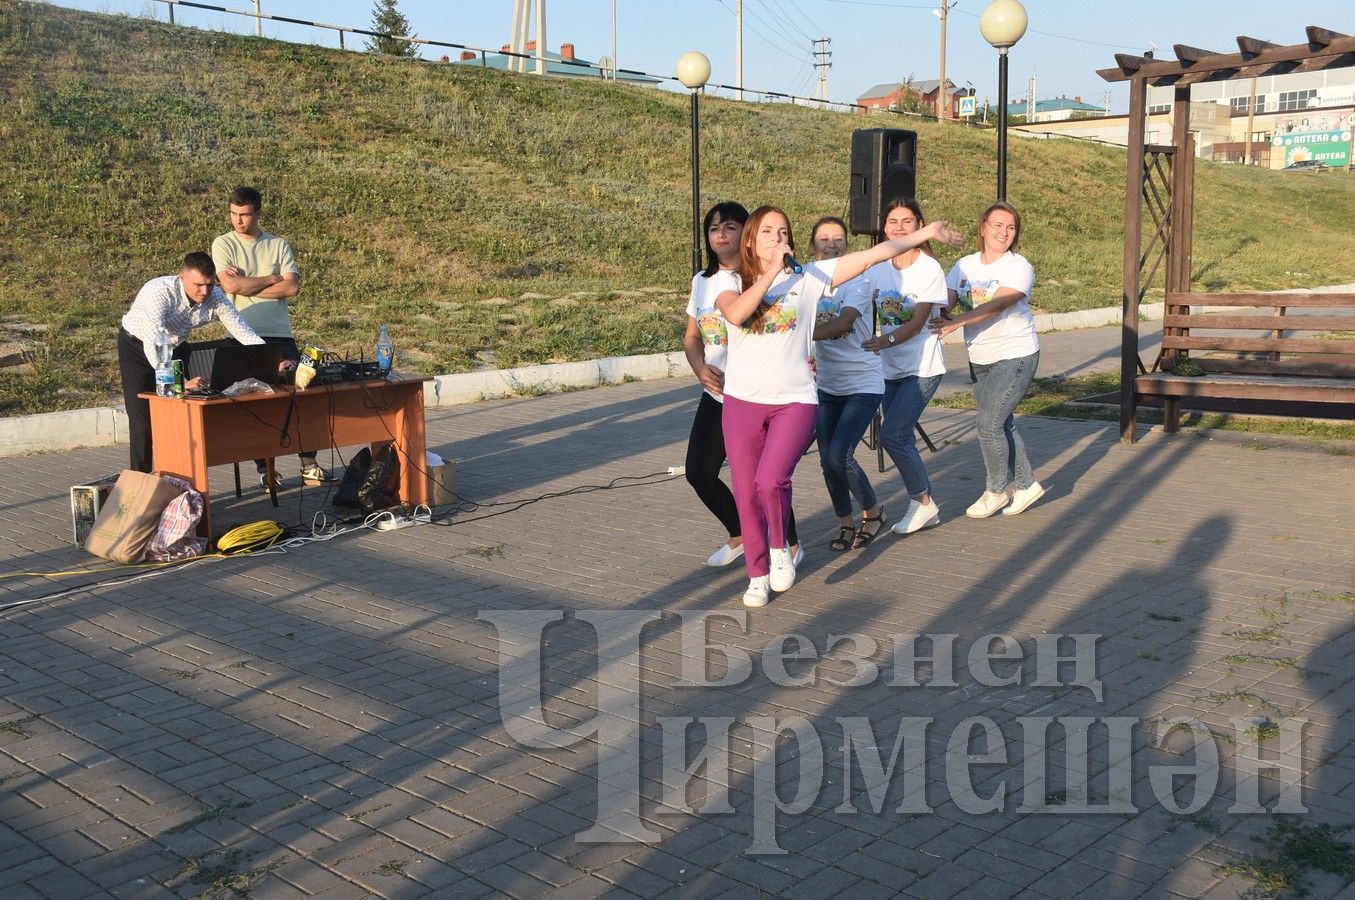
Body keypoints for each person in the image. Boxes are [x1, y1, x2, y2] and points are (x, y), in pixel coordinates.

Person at [717, 206, 963, 608]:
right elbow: (738, 314)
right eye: (767, 232)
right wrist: (769, 274)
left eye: (783, 231)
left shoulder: (809, 277)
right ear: (750, 240)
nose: (778, 239)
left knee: (771, 480)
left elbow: (875, 255)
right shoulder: (729, 282)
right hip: (743, 401)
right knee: (746, 492)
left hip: (794, 399)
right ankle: (757, 574)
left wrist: (925, 233)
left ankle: (780, 548)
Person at [682, 202, 801, 568]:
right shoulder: (702, 283)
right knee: (699, 473)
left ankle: (790, 545)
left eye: (730, 226)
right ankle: (739, 534)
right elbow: (691, 336)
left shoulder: (760, 279)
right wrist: (700, 367)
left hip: (755, 394)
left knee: (763, 478)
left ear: (745, 233)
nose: (720, 234)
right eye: (713, 227)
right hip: (717, 394)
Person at [930, 201, 1045, 518]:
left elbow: (998, 304)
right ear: (983, 228)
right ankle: (1026, 486)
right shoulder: (964, 266)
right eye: (997, 225)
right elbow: (945, 301)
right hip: (980, 357)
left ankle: (996, 491)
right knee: (1001, 423)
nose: (1003, 232)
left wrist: (957, 321)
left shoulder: (1018, 266)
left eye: (1010, 227)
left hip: (1016, 354)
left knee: (988, 423)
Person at [211, 186, 331, 488]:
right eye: (234, 214)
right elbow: (232, 287)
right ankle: (266, 470)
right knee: (255, 404)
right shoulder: (223, 244)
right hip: (240, 338)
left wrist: (248, 283)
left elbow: (291, 288)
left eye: (245, 214)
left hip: (279, 336)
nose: (238, 221)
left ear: (258, 213)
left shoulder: (278, 245)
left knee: (300, 397)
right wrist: (270, 278)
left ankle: (308, 463)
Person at [118, 252, 266, 473]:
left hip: (176, 347)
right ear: (182, 277)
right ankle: (140, 483)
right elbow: (154, 341)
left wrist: (270, 357)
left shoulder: (214, 295)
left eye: (209, 284)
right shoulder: (159, 292)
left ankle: (181, 479)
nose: (204, 291)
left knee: (181, 418)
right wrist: (177, 381)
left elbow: (240, 329)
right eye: (198, 285)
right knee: (142, 422)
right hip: (137, 348)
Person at [861, 198, 950, 536]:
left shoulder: (928, 268)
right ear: (884, 227)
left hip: (922, 366)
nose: (899, 227)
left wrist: (885, 341)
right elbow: (860, 307)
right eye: (893, 221)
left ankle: (923, 502)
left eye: (907, 221)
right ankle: (925, 504)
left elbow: (917, 323)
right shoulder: (877, 266)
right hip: (888, 369)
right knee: (898, 437)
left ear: (919, 226)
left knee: (894, 434)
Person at [807, 216, 886, 552]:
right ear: (812, 246)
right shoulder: (806, 279)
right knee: (827, 459)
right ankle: (845, 522)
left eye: (838, 238)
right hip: (827, 384)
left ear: (847, 246)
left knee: (840, 454)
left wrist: (796, 337)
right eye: (824, 238)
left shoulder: (859, 280)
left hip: (863, 383)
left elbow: (845, 321)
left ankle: (872, 512)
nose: (832, 243)